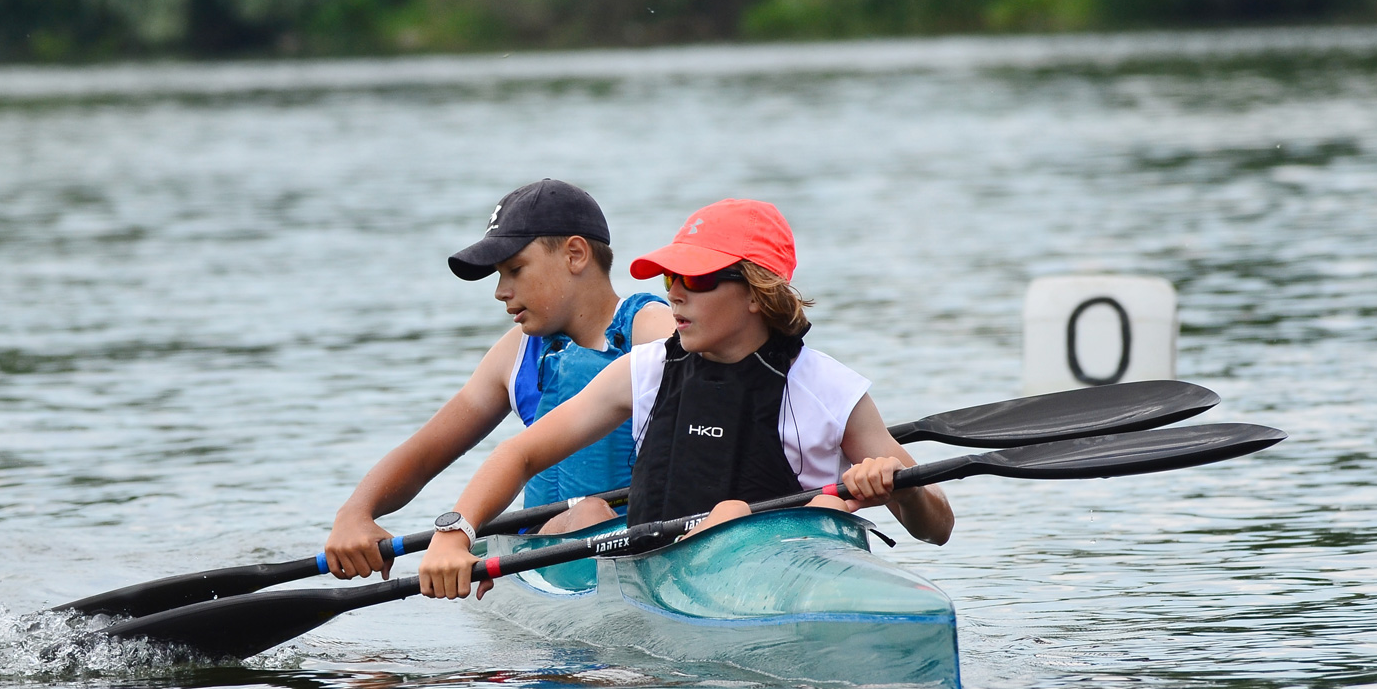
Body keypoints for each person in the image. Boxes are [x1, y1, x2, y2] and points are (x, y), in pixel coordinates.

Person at [418, 198, 954, 600]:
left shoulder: (832, 391)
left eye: (695, 279)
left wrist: (902, 491)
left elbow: (938, 527)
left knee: (793, 507)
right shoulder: (646, 371)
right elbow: (520, 454)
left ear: (755, 291)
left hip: (794, 583)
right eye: (671, 276)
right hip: (663, 580)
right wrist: (454, 532)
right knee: (588, 514)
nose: (673, 292)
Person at [324, 179, 676, 580]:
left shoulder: (650, 327)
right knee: (584, 513)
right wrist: (355, 512)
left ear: (575, 255)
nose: (500, 291)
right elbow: (425, 453)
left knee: (591, 511)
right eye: (498, 274)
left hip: (637, 545)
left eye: (515, 270)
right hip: (538, 553)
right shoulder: (518, 352)